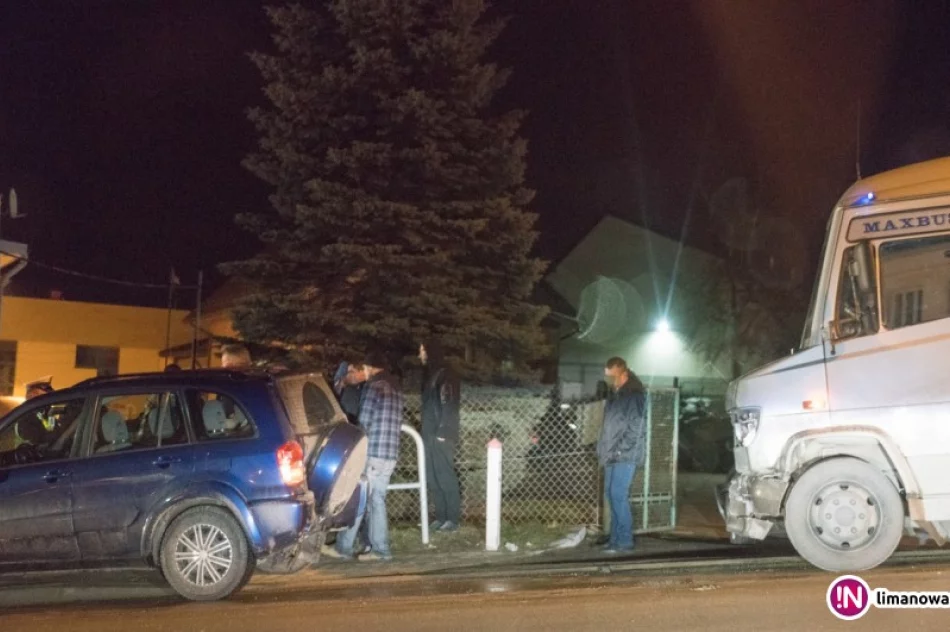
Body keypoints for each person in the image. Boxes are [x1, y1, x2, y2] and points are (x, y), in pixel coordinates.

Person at [332, 350, 403, 562]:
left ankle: (347, 547)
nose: (364, 372)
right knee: (377, 499)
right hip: (390, 453)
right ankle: (379, 549)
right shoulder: (396, 388)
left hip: (372, 452)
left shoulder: (374, 387)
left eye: (364, 368)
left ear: (371, 368)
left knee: (361, 498)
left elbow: (364, 421)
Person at [596, 357, 646, 553]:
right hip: (613, 453)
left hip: (624, 454)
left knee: (618, 494)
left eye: (612, 376)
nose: (610, 380)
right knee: (612, 494)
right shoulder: (617, 395)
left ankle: (624, 541)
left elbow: (636, 427)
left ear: (622, 372)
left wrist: (619, 449)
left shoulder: (634, 395)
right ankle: (616, 540)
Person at [419, 339, 461, 532]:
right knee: (432, 476)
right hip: (429, 434)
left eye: (422, 351)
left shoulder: (445, 375)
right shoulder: (432, 375)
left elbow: (449, 404)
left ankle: (452, 518)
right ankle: (441, 516)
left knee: (445, 475)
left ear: (430, 352)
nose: (420, 355)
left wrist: (444, 431)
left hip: (441, 434)